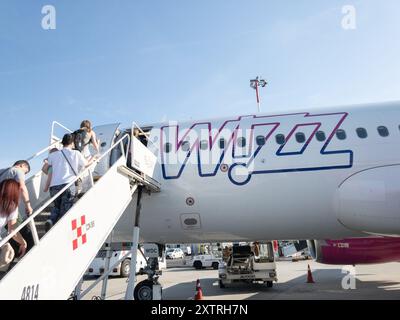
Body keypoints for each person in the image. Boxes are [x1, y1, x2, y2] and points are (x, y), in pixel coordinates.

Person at [44, 134, 96, 230]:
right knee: (65, 209)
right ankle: (61, 230)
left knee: (56, 206)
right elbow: (86, 164)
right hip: (68, 185)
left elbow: (46, 168)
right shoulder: (76, 153)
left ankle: (50, 220)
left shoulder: (53, 155)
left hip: (54, 186)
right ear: (72, 143)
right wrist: (93, 158)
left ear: (62, 143)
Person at [0, 180, 27, 273]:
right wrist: (23, 243)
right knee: (8, 252)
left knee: (7, 249)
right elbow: (12, 231)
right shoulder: (12, 206)